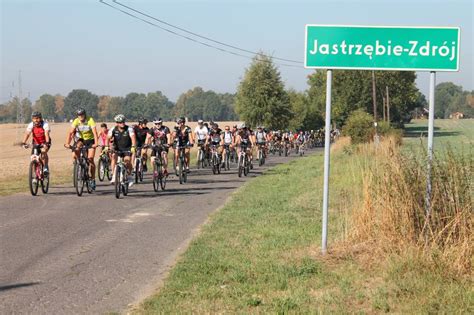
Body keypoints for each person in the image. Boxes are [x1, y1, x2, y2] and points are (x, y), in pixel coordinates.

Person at [64, 108, 98, 190]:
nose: (81, 117)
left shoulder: (90, 120)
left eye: (82, 115)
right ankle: (78, 164)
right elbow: (70, 132)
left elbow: (95, 132)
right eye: (79, 115)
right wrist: (67, 143)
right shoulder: (76, 121)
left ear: (85, 115)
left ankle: (92, 179)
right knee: (76, 148)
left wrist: (96, 143)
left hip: (90, 140)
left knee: (90, 159)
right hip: (81, 139)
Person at [106, 114, 137, 187]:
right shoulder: (113, 129)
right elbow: (108, 137)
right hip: (117, 148)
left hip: (127, 148)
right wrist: (107, 146)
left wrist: (133, 146)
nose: (122, 123)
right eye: (120, 122)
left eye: (123, 122)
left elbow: (133, 138)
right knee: (113, 157)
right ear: (117, 123)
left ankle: (129, 177)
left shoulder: (129, 129)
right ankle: (114, 175)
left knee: (127, 161)